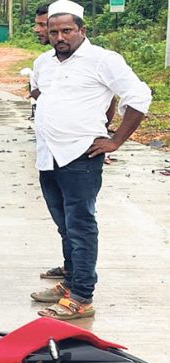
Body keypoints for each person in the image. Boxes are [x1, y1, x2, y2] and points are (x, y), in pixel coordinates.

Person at [30, 0, 151, 320]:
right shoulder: (44, 63)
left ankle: (82, 296)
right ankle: (70, 284)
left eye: (67, 30)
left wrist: (115, 140)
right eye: (53, 31)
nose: (60, 37)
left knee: (81, 226)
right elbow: (40, 94)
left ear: (83, 30)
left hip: (81, 157)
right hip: (48, 156)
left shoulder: (102, 60)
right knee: (64, 226)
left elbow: (139, 96)